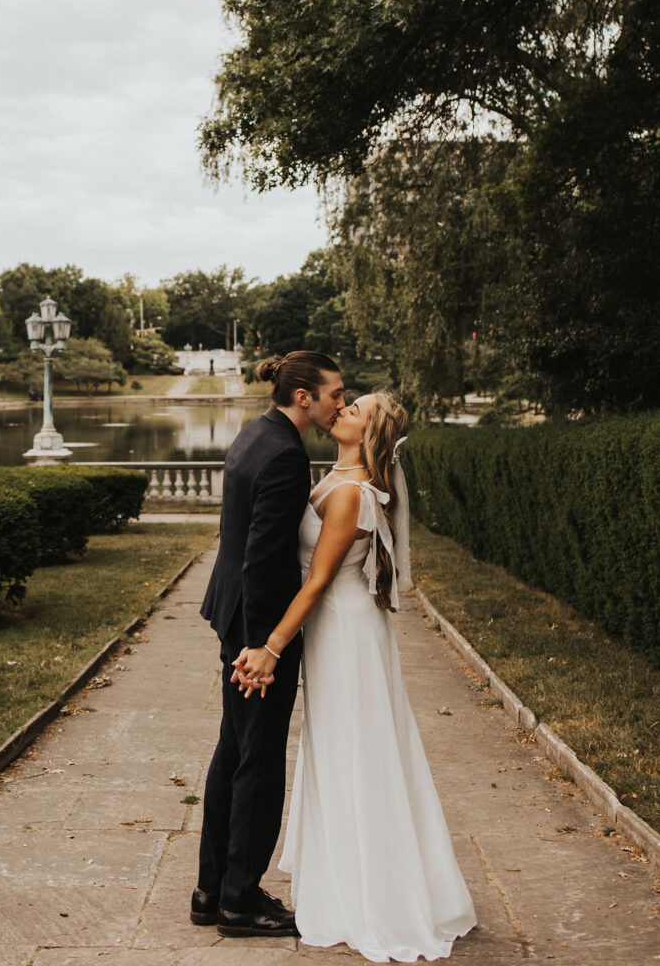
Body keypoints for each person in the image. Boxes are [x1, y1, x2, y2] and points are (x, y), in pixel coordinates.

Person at [236, 391, 477, 961]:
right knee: (340, 748)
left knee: (355, 752)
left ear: (371, 433)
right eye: (345, 403)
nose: (342, 411)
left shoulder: (350, 494)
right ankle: (351, 876)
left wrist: (270, 647)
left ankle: (375, 897)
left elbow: (316, 581)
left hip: (344, 633)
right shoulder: (335, 477)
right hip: (332, 631)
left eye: (356, 410)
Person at [191, 351, 345, 938]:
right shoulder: (284, 455)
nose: (339, 402)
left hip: (232, 613)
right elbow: (262, 560)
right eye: (334, 392)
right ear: (303, 396)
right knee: (258, 759)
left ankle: (211, 890)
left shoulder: (256, 432)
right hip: (255, 628)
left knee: (233, 750)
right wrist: (265, 648)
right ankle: (240, 901)